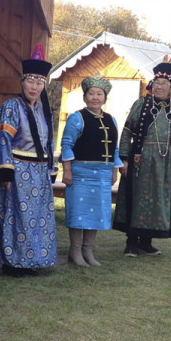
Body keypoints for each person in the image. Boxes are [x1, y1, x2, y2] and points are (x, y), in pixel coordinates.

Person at [0, 44, 57, 277]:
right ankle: (12, 261)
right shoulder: (11, 107)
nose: (35, 87)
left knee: (37, 218)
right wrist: (6, 171)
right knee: (17, 216)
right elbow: (3, 140)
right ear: (22, 81)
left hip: (39, 173)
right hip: (19, 170)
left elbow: (49, 141)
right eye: (31, 81)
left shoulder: (44, 109)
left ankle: (32, 259)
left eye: (39, 82)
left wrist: (51, 168)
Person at [113, 61, 171, 257]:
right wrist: (124, 158)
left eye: (164, 83)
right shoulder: (141, 105)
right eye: (157, 82)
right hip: (140, 161)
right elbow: (126, 133)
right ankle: (131, 242)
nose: (159, 86)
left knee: (158, 200)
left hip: (167, 163)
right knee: (139, 198)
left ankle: (146, 241)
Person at [60, 76, 122, 267]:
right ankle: (75, 251)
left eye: (99, 94)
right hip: (80, 173)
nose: (95, 97)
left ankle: (88, 250)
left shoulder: (111, 119)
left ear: (105, 97)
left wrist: (114, 171)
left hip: (103, 174)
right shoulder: (76, 118)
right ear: (85, 97)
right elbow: (67, 145)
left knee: (96, 212)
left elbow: (115, 149)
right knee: (79, 212)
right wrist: (67, 171)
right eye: (91, 93)